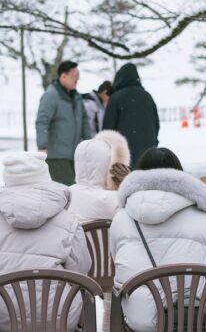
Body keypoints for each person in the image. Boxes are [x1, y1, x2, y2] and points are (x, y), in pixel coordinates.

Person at [109, 147, 206, 332]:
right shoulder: (205, 222)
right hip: (191, 320)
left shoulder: (121, 219)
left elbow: (119, 262)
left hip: (141, 321)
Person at [0, 152, 92, 331]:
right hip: (59, 319)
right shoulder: (69, 222)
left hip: (6, 319)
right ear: (45, 178)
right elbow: (81, 270)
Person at [67, 129, 130, 332]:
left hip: (78, 273)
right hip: (111, 273)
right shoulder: (114, 199)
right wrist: (127, 184)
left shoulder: (66, 194)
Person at [36, 60, 92, 185]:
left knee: (77, 189)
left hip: (74, 155)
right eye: (74, 76)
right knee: (69, 190)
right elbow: (42, 121)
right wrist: (42, 146)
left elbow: (84, 121)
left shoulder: (77, 97)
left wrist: (90, 143)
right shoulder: (51, 96)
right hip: (57, 155)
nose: (77, 79)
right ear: (63, 76)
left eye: (78, 76)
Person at [102, 63, 159, 168]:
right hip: (147, 156)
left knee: (126, 178)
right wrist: (153, 143)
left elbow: (108, 130)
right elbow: (156, 125)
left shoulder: (116, 98)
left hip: (123, 157)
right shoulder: (147, 97)